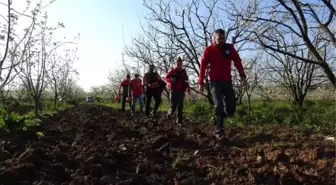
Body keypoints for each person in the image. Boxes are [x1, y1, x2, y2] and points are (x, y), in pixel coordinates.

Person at [198, 28, 247, 139]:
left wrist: (242, 75)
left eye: (223, 38)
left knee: (231, 106)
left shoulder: (230, 48)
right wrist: (200, 82)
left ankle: (217, 117)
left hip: (227, 81)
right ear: (214, 39)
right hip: (215, 82)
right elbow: (203, 66)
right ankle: (219, 131)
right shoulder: (208, 50)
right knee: (218, 104)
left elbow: (237, 61)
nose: (221, 41)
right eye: (219, 38)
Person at [165, 57, 190, 126]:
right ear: (176, 63)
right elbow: (166, 78)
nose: (179, 65)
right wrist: (169, 81)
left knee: (180, 106)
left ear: (181, 64)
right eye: (178, 63)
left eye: (180, 63)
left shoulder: (184, 72)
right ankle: (169, 114)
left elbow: (186, 80)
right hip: (173, 91)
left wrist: (188, 88)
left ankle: (179, 122)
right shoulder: (172, 71)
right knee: (173, 106)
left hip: (181, 91)